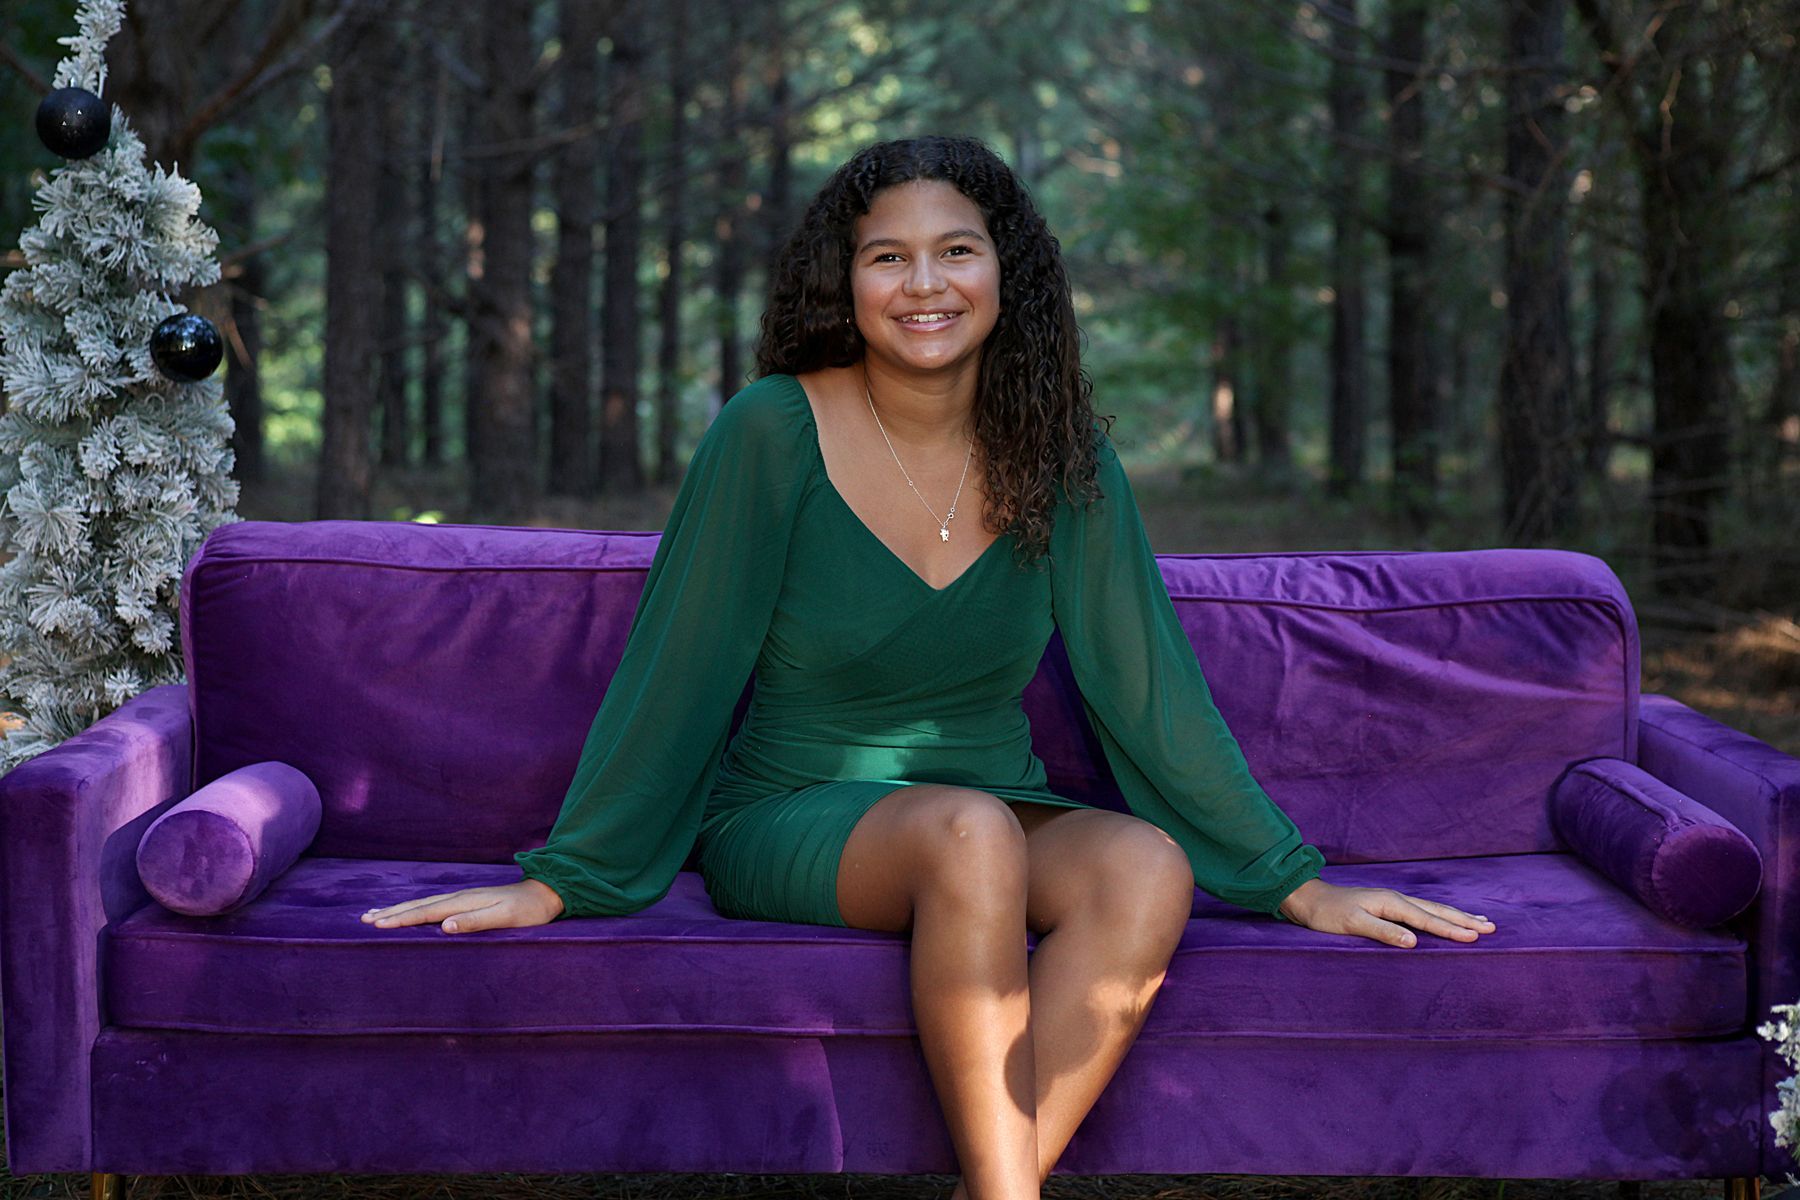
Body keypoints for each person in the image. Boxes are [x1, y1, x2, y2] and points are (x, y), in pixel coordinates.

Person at [361, 134, 1496, 1199]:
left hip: (991, 808)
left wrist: (1295, 881)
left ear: (1008, 273)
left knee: (1146, 867)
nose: (925, 284)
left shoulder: (1062, 451)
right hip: (795, 813)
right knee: (968, 832)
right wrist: (569, 875)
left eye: (957, 250)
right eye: (886, 257)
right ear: (843, 283)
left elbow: (1145, 681)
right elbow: (681, 665)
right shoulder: (769, 431)